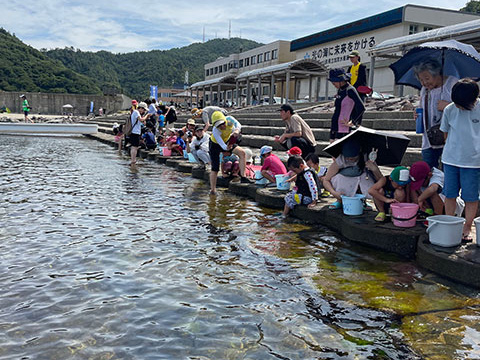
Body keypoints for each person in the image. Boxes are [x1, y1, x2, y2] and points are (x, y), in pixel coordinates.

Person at [440, 78, 480, 242]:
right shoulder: (449, 109)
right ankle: (450, 223)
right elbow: (445, 134)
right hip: (450, 159)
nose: (457, 105)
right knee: (449, 194)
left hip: (473, 162)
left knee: (471, 197)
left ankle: (467, 226)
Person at [413, 59, 457, 169]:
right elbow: (422, 107)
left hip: (449, 137)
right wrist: (417, 114)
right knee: (428, 170)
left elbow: (466, 107)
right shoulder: (424, 90)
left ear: (437, 73)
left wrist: (448, 106)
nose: (424, 83)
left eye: (427, 78)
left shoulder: (452, 84)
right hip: (429, 138)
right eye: (421, 80)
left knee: (447, 171)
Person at [323, 139, 382, 209]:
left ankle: (362, 200)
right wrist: (334, 193)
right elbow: (326, 180)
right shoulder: (340, 160)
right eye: (348, 158)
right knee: (339, 178)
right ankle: (340, 201)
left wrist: (374, 169)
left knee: (364, 177)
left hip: (361, 179)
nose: (350, 159)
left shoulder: (366, 157)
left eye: (353, 157)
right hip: (344, 181)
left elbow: (381, 179)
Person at [209, 111, 253, 195]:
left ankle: (243, 177)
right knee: (214, 168)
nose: (222, 126)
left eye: (223, 124)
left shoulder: (229, 119)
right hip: (215, 145)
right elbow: (222, 146)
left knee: (242, 153)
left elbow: (238, 125)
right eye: (219, 125)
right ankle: (213, 190)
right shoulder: (215, 130)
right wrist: (228, 147)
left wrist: (236, 130)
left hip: (227, 140)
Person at [328, 68, 365, 142]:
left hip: (345, 128)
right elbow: (338, 110)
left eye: (334, 81)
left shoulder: (350, 90)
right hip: (336, 127)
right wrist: (332, 134)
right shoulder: (340, 90)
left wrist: (353, 121)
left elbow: (361, 107)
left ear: (341, 80)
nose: (333, 84)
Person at [129, 101, 149, 165]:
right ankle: (133, 160)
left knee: (134, 147)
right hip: (135, 132)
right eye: (144, 110)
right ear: (141, 108)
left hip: (135, 132)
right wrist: (147, 116)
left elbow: (141, 122)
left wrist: (144, 119)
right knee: (134, 147)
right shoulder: (136, 112)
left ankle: (133, 160)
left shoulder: (135, 112)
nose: (144, 111)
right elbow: (141, 120)